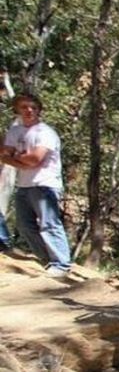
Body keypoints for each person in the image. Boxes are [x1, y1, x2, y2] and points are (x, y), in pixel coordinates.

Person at [0, 93, 71, 276]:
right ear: (17, 110)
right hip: (24, 185)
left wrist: (16, 157)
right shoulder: (15, 132)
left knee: (49, 224)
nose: (29, 110)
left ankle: (61, 264)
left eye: (33, 107)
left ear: (39, 110)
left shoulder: (45, 133)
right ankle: (47, 260)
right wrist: (21, 160)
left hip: (45, 184)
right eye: (24, 107)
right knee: (24, 226)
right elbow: (4, 155)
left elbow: (35, 159)